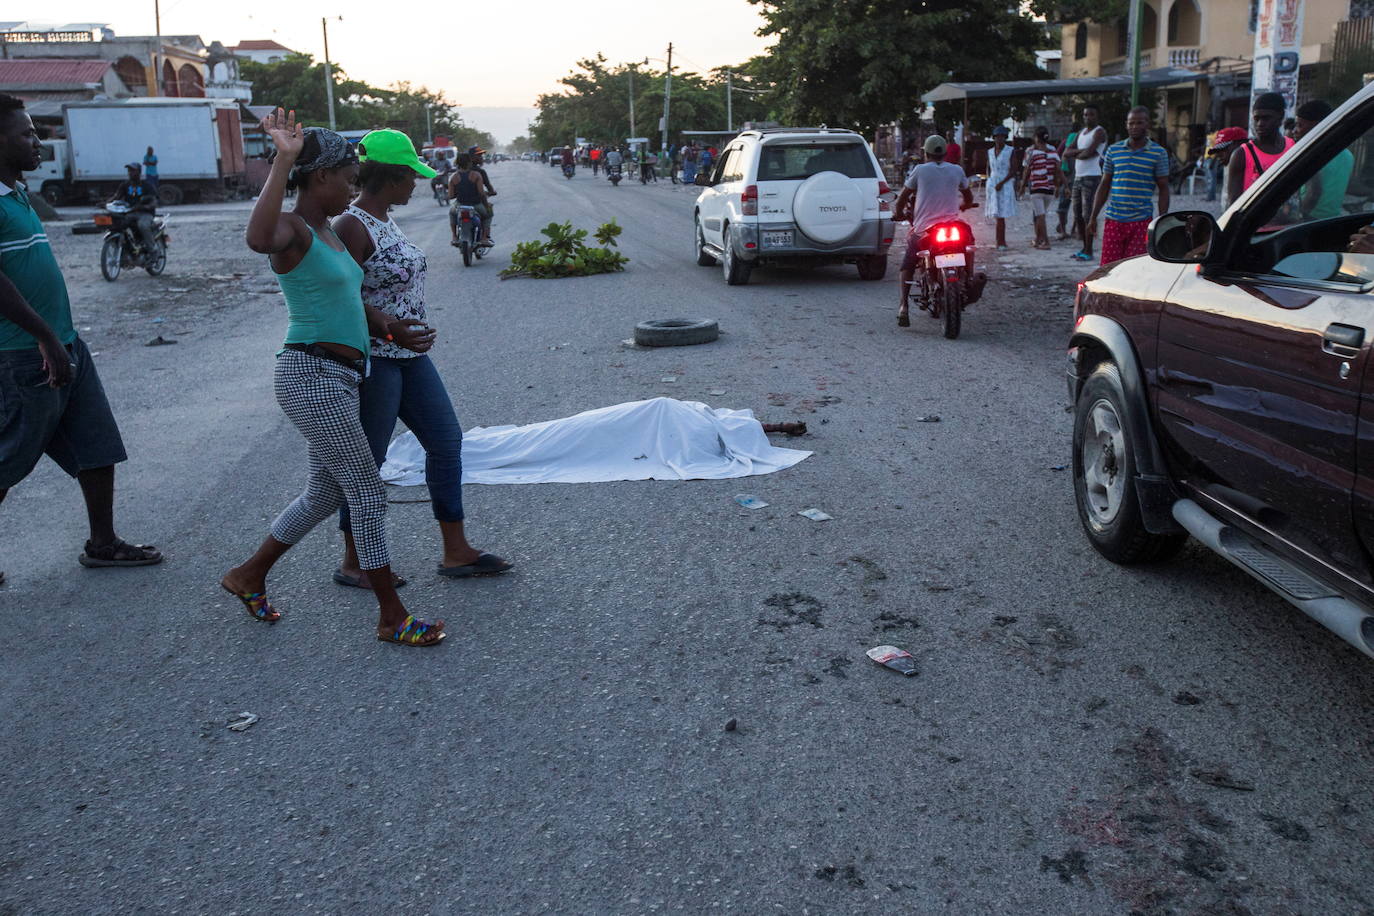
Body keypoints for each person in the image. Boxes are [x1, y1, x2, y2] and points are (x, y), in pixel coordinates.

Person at [221, 109, 443, 647]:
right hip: (310, 373)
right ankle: (392, 614)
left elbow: (350, 301)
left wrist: (390, 331)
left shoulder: (329, 232)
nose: (352, 187)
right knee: (367, 491)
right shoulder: (295, 229)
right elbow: (256, 238)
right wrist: (283, 161)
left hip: (342, 375)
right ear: (320, 177)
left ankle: (249, 574)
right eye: (346, 177)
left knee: (324, 492)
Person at [331, 129, 511, 589]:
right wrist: (390, 328)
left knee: (447, 443)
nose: (417, 183)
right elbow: (339, 297)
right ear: (389, 177)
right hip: (377, 360)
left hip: (409, 357)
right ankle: (354, 561)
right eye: (411, 175)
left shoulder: (386, 220)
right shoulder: (351, 226)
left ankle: (456, 550)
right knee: (366, 461)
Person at [0, 93, 162, 586]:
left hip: (62, 343)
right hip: (24, 353)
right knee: (8, 457)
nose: (38, 141)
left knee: (97, 445)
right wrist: (46, 338)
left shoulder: (17, 192)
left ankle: (103, 543)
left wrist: (59, 338)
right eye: (26, 133)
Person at [892, 134, 974, 328]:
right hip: (953, 226)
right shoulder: (957, 170)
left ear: (926, 153)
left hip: (925, 231)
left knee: (908, 265)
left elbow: (903, 197)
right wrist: (965, 205)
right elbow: (968, 196)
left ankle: (903, 306)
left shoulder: (920, 170)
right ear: (945, 153)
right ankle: (969, 276)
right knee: (969, 245)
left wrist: (898, 213)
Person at [1087, 106, 1170, 266]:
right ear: (1126, 125)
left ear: (1147, 124)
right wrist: (1093, 216)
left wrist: (1162, 220)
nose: (1135, 126)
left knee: (1134, 269)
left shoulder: (1158, 153)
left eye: (1139, 123)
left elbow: (1164, 188)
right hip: (1113, 220)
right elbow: (1104, 184)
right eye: (1131, 123)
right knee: (1109, 269)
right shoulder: (1114, 150)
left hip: (1141, 222)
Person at [1227, 92, 1294, 204]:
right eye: (1256, 119)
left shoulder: (1292, 147)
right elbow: (1233, 203)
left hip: (1293, 221)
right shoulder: (1241, 155)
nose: (1260, 124)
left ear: (1281, 117)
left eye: (1266, 118)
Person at [1293, 100, 1354, 221]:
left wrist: (1298, 219)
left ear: (1317, 126)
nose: (1295, 130)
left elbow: (1313, 193)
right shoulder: (1347, 154)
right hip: (1332, 219)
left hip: (1310, 217)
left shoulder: (1312, 154)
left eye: (1300, 125)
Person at [1066, 103, 1107, 261]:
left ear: (1097, 116)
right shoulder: (1081, 133)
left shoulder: (1099, 132)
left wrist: (1076, 153)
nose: (1087, 117)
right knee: (1077, 215)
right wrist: (1079, 153)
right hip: (1078, 177)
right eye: (1085, 115)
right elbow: (1067, 152)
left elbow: (1089, 153)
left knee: (1088, 214)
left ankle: (1089, 250)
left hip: (1093, 176)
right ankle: (1084, 247)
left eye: (1091, 114)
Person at [1017, 126, 1061, 250]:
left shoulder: (1031, 151)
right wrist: (1058, 185)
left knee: (1039, 215)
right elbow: (1058, 170)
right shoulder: (1052, 150)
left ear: (1036, 137)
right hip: (1049, 186)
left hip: (1036, 185)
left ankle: (1044, 240)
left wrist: (1022, 187)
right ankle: (1038, 239)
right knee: (1040, 213)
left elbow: (1026, 170)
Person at [111, 163, 159, 257]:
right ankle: (126, 247)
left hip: (145, 214)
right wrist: (106, 203)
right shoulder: (125, 184)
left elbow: (154, 201)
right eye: (129, 171)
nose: (130, 173)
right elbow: (116, 197)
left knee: (143, 225)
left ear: (139, 172)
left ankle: (153, 250)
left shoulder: (147, 185)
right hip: (130, 213)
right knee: (118, 224)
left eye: (133, 170)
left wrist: (144, 207)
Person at [448, 152, 491, 246]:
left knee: (452, 213)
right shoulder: (476, 175)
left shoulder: (453, 177)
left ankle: (454, 237)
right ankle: (484, 238)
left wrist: (459, 192)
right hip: (476, 205)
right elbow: (481, 193)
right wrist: (487, 206)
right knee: (487, 215)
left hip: (459, 205)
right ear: (469, 162)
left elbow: (451, 196)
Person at [986, 125, 1016, 250]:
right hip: (993, 185)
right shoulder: (990, 152)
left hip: (1005, 185)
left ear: (1005, 138)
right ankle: (999, 241)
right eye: (997, 137)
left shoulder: (1010, 151)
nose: (999, 140)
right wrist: (990, 181)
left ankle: (1001, 242)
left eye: (1002, 137)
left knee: (1001, 216)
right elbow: (988, 167)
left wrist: (1002, 183)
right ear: (994, 138)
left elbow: (1013, 170)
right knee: (996, 215)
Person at [1204, 127, 1247, 207]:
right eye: (1217, 151)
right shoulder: (1227, 165)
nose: (1218, 155)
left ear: (1239, 144)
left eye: (1223, 149)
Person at [1055, 127, 1078, 240]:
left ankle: (1064, 229)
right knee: (1077, 208)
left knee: (1063, 207)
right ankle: (1072, 229)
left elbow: (1060, 167)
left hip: (1068, 182)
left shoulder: (1065, 147)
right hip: (1072, 182)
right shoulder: (1079, 150)